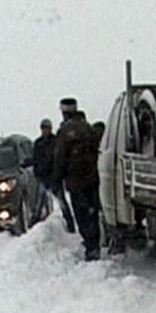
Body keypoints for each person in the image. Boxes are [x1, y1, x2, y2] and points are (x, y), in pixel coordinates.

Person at [54, 98, 101, 261]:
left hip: (76, 180)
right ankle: (94, 242)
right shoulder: (88, 128)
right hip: (92, 177)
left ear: (64, 112)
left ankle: (90, 246)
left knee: (81, 213)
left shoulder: (65, 131)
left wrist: (57, 179)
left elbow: (60, 158)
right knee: (92, 210)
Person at [32, 118, 76, 232]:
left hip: (54, 176)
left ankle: (70, 223)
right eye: (43, 128)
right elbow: (35, 160)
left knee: (62, 202)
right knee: (39, 203)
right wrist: (37, 173)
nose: (44, 131)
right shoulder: (38, 143)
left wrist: (58, 173)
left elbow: (59, 158)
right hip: (43, 177)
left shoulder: (55, 141)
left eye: (46, 128)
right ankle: (34, 226)